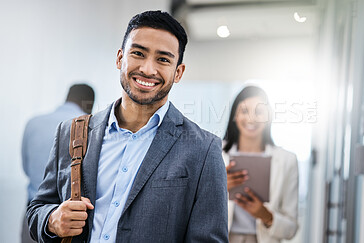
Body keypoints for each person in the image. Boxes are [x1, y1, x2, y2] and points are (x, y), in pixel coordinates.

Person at [26, 10, 228, 243]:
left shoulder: (204, 149)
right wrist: (52, 219)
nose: (147, 69)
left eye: (163, 59)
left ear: (178, 72)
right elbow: (37, 209)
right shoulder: (71, 132)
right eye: (138, 53)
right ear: (120, 58)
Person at [223, 86, 298, 243]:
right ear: (235, 115)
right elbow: (193, 212)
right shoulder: (214, 154)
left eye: (259, 112)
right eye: (244, 111)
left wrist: (266, 215)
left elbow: (291, 229)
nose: (251, 118)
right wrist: (219, 188)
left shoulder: (286, 161)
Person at [21, 83, 95, 243]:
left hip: (33, 215)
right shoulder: (89, 128)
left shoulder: (33, 122)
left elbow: (26, 168)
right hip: (69, 224)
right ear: (89, 103)